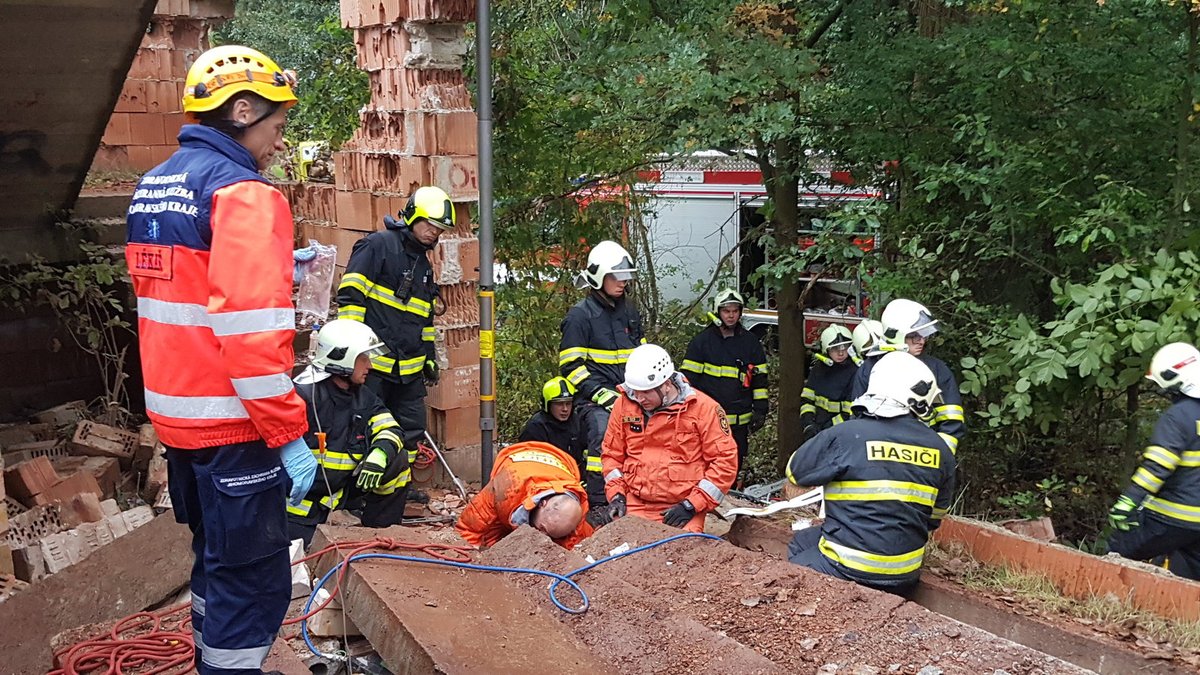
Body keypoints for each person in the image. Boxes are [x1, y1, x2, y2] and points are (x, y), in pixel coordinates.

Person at [125, 45, 312, 674]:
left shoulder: (155, 185)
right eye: (277, 128)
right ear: (242, 108)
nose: (279, 144)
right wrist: (287, 432)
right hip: (237, 424)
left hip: (180, 421)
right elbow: (250, 336)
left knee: (214, 562)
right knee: (254, 581)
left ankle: (215, 665)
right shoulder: (244, 194)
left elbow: (179, 305)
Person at [786, 351, 956, 596]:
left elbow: (795, 471)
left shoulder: (846, 435)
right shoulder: (941, 449)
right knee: (806, 540)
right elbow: (934, 518)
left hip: (845, 566)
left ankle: (821, 609)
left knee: (795, 564)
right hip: (905, 573)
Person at [336, 185, 452, 507]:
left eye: (439, 229)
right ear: (412, 216)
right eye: (429, 225)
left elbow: (424, 319)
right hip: (373, 366)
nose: (433, 233)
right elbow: (351, 297)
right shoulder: (377, 247)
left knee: (411, 431)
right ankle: (356, 495)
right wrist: (352, 351)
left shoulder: (424, 266)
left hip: (409, 369)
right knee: (364, 429)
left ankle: (397, 488)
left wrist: (429, 358)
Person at [287, 320, 414, 547]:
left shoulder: (361, 397)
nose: (370, 366)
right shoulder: (303, 398)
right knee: (300, 564)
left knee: (397, 461)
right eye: (363, 358)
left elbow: (390, 427)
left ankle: (378, 535)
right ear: (342, 357)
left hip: (340, 493)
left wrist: (380, 454)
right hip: (299, 506)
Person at [601, 344, 739, 533]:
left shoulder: (704, 409)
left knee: (679, 554)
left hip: (681, 507)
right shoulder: (623, 405)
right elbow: (611, 456)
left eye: (646, 392)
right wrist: (616, 495)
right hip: (634, 502)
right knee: (619, 551)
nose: (639, 398)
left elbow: (724, 462)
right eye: (635, 391)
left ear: (667, 384)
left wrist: (692, 505)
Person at [559, 240, 644, 523]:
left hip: (629, 395)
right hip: (592, 401)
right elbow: (571, 366)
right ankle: (599, 504)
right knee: (602, 433)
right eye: (615, 277)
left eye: (624, 276)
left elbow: (641, 354)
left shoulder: (629, 311)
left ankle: (640, 495)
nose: (622, 282)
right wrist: (602, 395)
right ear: (598, 277)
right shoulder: (579, 316)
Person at [1107, 342, 1200, 580]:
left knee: (1120, 549)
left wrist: (1129, 501)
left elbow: (1158, 465)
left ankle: (1102, 601)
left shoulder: (1178, 416)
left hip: (1174, 516)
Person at [849, 299, 966, 454]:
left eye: (924, 335)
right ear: (895, 334)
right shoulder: (869, 368)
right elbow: (858, 418)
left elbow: (951, 421)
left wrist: (939, 458)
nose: (921, 341)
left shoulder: (936, 369)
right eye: (914, 336)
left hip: (923, 454)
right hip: (879, 454)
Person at [681, 289, 769, 479]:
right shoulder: (702, 342)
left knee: (733, 465)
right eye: (726, 311)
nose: (731, 315)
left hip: (739, 422)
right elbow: (688, 382)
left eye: (735, 311)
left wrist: (761, 410)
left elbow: (760, 380)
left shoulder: (751, 343)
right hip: (708, 422)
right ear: (717, 312)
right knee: (705, 464)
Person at [456, 441, 594, 550]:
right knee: (491, 538)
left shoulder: (576, 517)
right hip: (516, 471)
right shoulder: (507, 488)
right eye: (542, 529)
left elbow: (581, 548)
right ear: (542, 503)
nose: (543, 537)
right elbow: (469, 529)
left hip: (561, 463)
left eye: (551, 535)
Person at [800, 325, 860, 438]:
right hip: (815, 429)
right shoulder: (818, 369)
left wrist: (827, 430)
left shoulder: (855, 372)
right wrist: (808, 423)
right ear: (826, 349)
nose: (841, 353)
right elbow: (807, 400)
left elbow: (850, 412)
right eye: (835, 349)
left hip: (839, 432)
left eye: (844, 347)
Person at [519, 376, 587, 476]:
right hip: (547, 480)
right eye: (559, 404)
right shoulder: (536, 427)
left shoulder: (578, 422)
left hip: (576, 479)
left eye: (568, 404)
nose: (565, 409)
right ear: (548, 405)